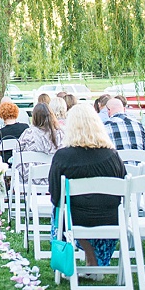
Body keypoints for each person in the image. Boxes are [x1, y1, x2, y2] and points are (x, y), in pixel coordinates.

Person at [47, 104, 128, 275]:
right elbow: (123, 187)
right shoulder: (112, 156)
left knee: (61, 211)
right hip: (110, 217)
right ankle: (93, 257)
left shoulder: (63, 157)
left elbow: (55, 196)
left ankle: (88, 254)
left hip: (73, 219)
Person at [17, 102, 64, 192]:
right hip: (54, 179)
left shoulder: (28, 134)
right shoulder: (60, 134)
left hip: (30, 179)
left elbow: (17, 153)